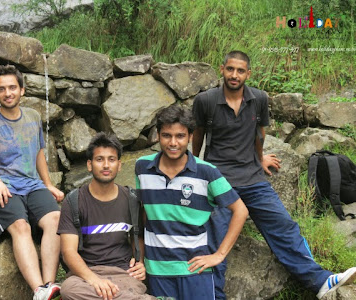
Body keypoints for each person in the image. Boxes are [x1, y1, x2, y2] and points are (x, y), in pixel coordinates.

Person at [192, 50, 356, 300]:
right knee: (215, 238)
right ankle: (213, 295)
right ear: (222, 68)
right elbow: (198, 135)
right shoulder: (206, 100)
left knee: (284, 226)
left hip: (253, 178)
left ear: (249, 73)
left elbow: (260, 132)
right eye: (230, 69)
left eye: (240, 70)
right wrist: (194, 167)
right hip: (220, 182)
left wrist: (260, 158)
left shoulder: (258, 98)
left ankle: (321, 280)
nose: (234, 75)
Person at [0, 65, 64, 300]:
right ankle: (38, 290)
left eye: (12, 87)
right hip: (2, 187)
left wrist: (48, 184)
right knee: (21, 227)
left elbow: (38, 153)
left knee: (56, 219)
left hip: (32, 185)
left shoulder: (33, 117)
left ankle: (49, 284)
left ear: (22, 90)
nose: (7, 93)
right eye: (1, 89)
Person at [135, 105, 249, 300]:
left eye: (180, 136)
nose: (173, 142)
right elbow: (143, 217)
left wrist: (219, 255)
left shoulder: (207, 172)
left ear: (190, 137)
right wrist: (141, 259)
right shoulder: (143, 168)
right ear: (158, 136)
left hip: (195, 269)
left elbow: (240, 210)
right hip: (157, 270)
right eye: (166, 135)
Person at [58, 132, 156, 300]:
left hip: (124, 272)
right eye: (99, 159)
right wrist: (95, 280)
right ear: (89, 165)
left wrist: (140, 263)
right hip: (86, 274)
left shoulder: (131, 200)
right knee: (68, 290)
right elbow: (68, 252)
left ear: (119, 165)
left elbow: (137, 236)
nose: (105, 165)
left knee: (129, 289)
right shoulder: (74, 201)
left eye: (111, 160)